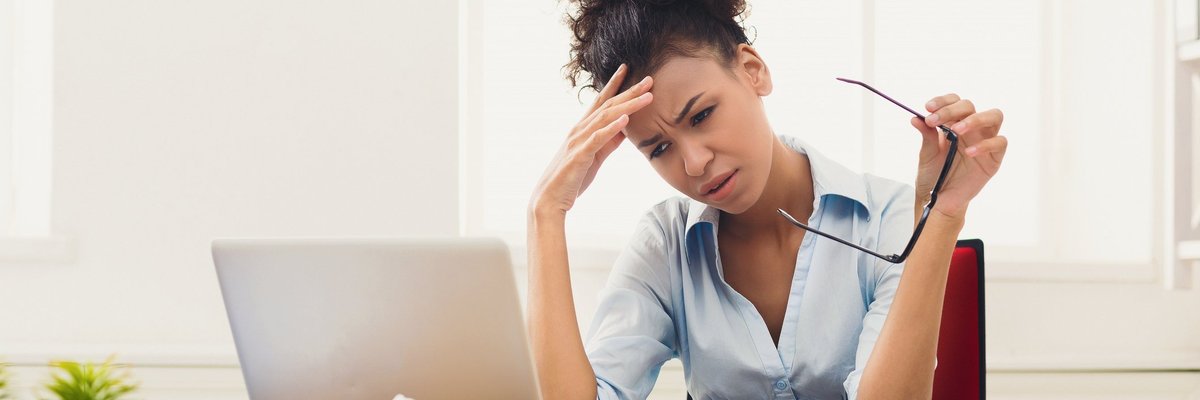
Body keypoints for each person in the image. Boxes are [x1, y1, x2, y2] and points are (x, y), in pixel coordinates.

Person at [526, 0, 1008, 398]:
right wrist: (546, 214)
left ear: (753, 71)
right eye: (659, 149)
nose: (693, 163)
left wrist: (942, 216)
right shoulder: (665, 243)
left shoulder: (890, 217)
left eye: (702, 115)